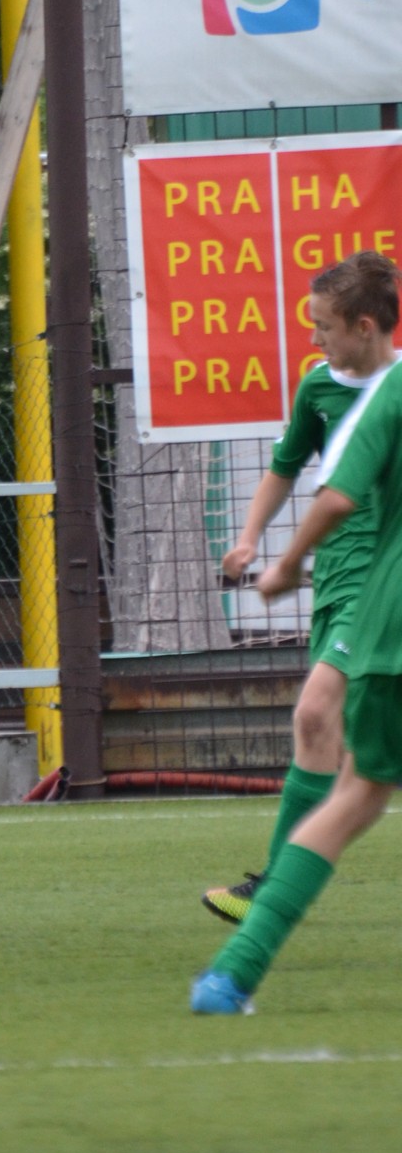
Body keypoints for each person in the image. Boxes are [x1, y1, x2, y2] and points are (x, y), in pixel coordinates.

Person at [191, 313, 402, 1015]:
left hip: (380, 599)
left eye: (324, 325)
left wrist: (283, 566)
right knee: (335, 751)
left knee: (350, 773)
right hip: (359, 591)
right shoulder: (333, 388)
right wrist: (259, 545)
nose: (315, 338)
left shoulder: (392, 389)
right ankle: (262, 910)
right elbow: (305, 479)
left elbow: (338, 495)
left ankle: (238, 963)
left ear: (365, 325)